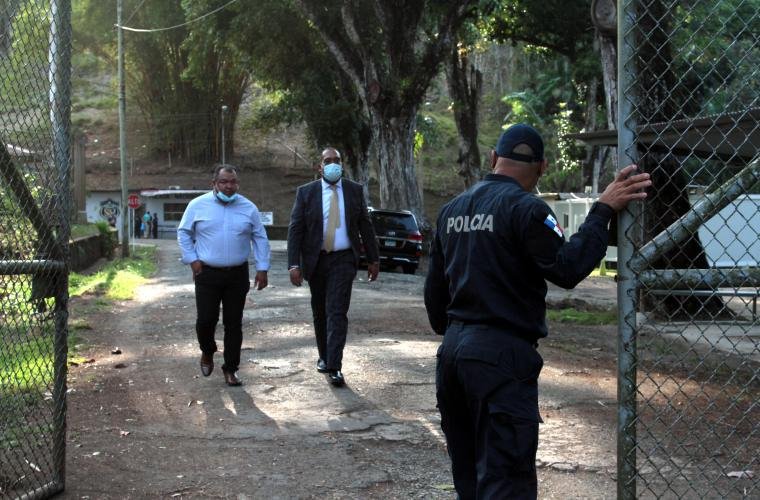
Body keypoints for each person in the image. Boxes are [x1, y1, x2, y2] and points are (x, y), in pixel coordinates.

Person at [424, 123, 652, 499]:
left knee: (470, 478)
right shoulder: (526, 208)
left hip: (452, 357)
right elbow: (568, 267)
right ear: (543, 167)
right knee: (505, 482)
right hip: (501, 359)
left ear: (494, 158)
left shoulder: (451, 211)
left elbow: (436, 302)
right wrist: (602, 210)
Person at [287, 147, 380, 387]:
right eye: (327, 161)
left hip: (343, 260)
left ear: (342, 164)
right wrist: (293, 264)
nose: (332, 164)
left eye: (336, 160)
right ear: (319, 167)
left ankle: (334, 366)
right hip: (316, 261)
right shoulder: (306, 193)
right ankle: (324, 355)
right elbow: (296, 229)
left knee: (337, 312)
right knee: (320, 312)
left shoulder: (354, 190)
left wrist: (373, 259)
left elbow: (365, 226)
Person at [177, 164, 271, 387]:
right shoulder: (197, 205)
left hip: (237, 275)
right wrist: (193, 259)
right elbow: (183, 232)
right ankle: (207, 351)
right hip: (207, 273)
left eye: (233, 182)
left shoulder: (248, 208)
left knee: (233, 323)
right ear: (214, 184)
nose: (229, 186)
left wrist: (262, 267)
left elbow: (260, 238)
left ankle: (231, 368)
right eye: (224, 182)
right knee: (206, 320)